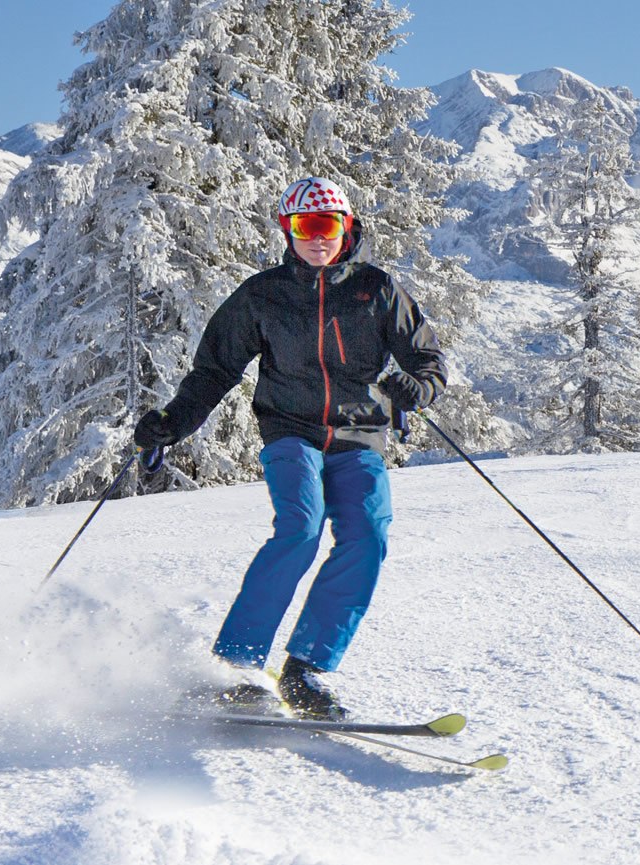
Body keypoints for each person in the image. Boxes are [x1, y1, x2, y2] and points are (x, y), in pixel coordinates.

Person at [134, 177, 444, 720]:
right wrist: (173, 421)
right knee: (301, 527)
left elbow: (427, 361)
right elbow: (214, 370)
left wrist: (417, 390)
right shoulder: (262, 295)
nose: (317, 238)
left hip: (357, 436)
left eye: (328, 226)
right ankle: (237, 664)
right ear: (288, 229)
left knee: (367, 536)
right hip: (291, 432)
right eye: (306, 226)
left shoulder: (377, 290)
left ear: (347, 229)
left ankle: (305, 672)